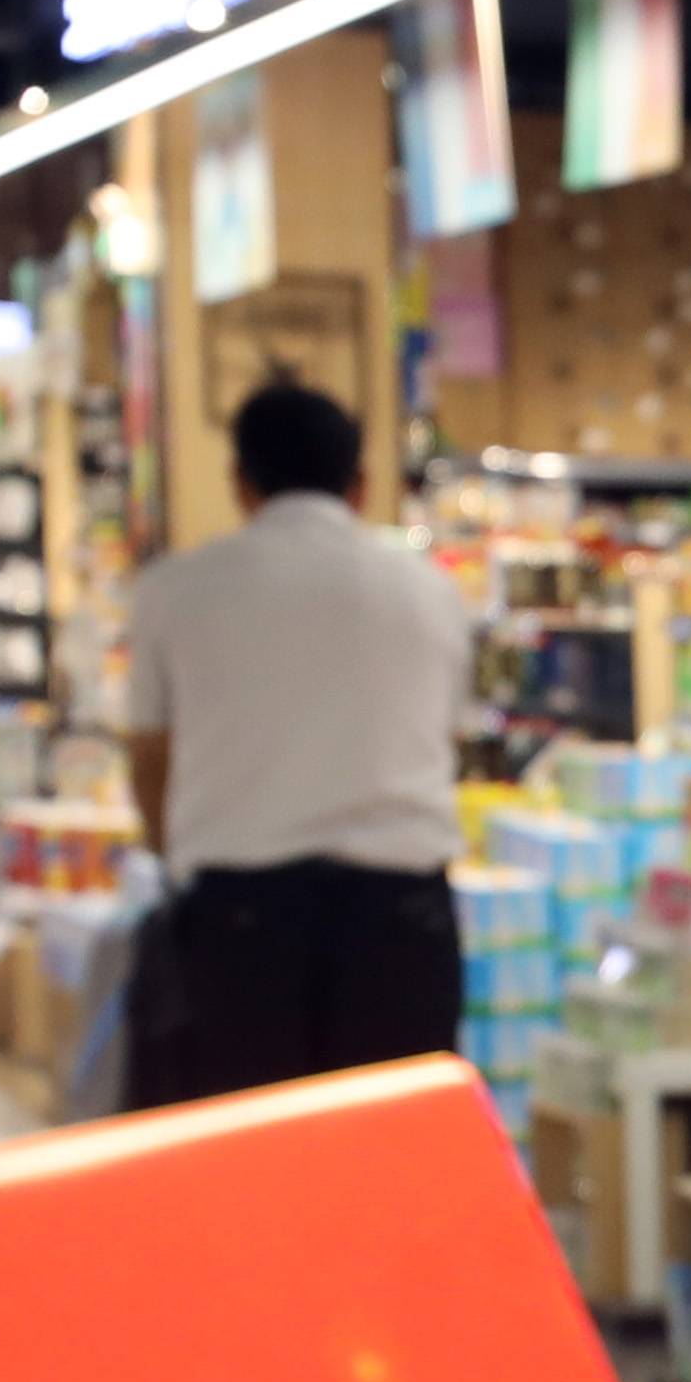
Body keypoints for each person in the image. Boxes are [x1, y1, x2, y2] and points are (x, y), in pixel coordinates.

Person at [117, 377, 474, 1109]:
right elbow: (445, 741)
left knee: (256, 1171)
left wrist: (167, 853)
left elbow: (150, 756)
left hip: (242, 925)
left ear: (242, 482)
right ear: (362, 484)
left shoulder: (175, 589)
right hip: (403, 920)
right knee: (391, 1163)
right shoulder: (429, 590)